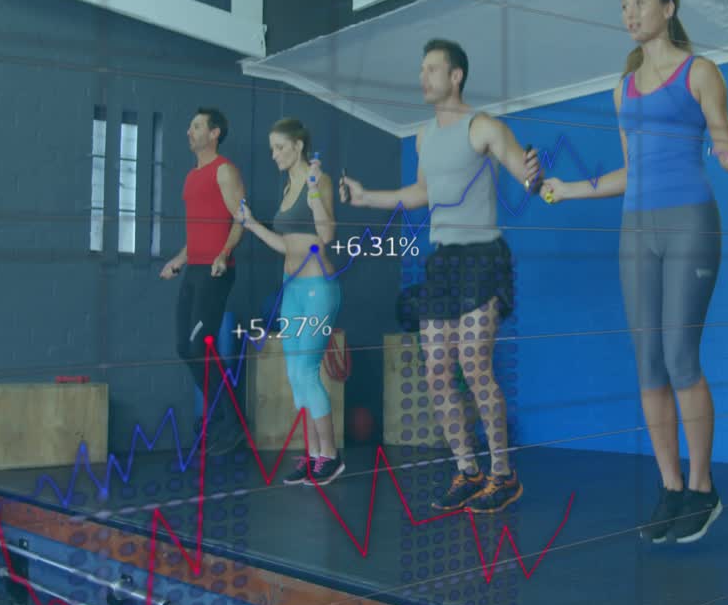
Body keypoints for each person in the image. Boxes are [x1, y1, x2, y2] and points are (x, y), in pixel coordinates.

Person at [539, 0, 728, 544]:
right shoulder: (623, 89)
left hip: (689, 222)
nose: (629, 13)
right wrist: (570, 189)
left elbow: (725, 149)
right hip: (636, 229)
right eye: (623, 5)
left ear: (668, 7)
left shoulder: (700, 72)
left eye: (639, 2)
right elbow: (631, 170)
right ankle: (670, 487)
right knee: (648, 363)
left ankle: (703, 488)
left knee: (681, 356)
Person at [339, 38, 540, 513]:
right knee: (436, 371)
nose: (423, 77)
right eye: (422, 69)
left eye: (432, 69)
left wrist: (534, 173)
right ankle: (468, 470)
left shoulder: (483, 126)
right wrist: (365, 197)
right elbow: (420, 193)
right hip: (443, 261)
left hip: (482, 257)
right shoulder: (423, 137)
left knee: (475, 366)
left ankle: (503, 474)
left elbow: (526, 177)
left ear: (456, 76)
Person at [238, 118, 345, 486]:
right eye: (272, 149)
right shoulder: (286, 188)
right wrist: (252, 224)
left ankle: (330, 456)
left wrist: (313, 192)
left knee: (306, 371)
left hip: (317, 288)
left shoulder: (320, 181)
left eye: (280, 147)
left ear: (298, 146)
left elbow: (326, 234)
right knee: (295, 374)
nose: (274, 155)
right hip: (292, 289)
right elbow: (286, 245)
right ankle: (313, 456)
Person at [161, 107, 247, 454]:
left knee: (200, 348)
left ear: (214, 133)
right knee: (185, 348)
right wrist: (178, 260)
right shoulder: (191, 177)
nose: (189, 131)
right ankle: (225, 419)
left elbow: (241, 219)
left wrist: (224, 254)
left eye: (196, 126)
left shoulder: (224, 170)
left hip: (216, 271)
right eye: (190, 126)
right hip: (194, 269)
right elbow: (196, 232)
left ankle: (232, 424)